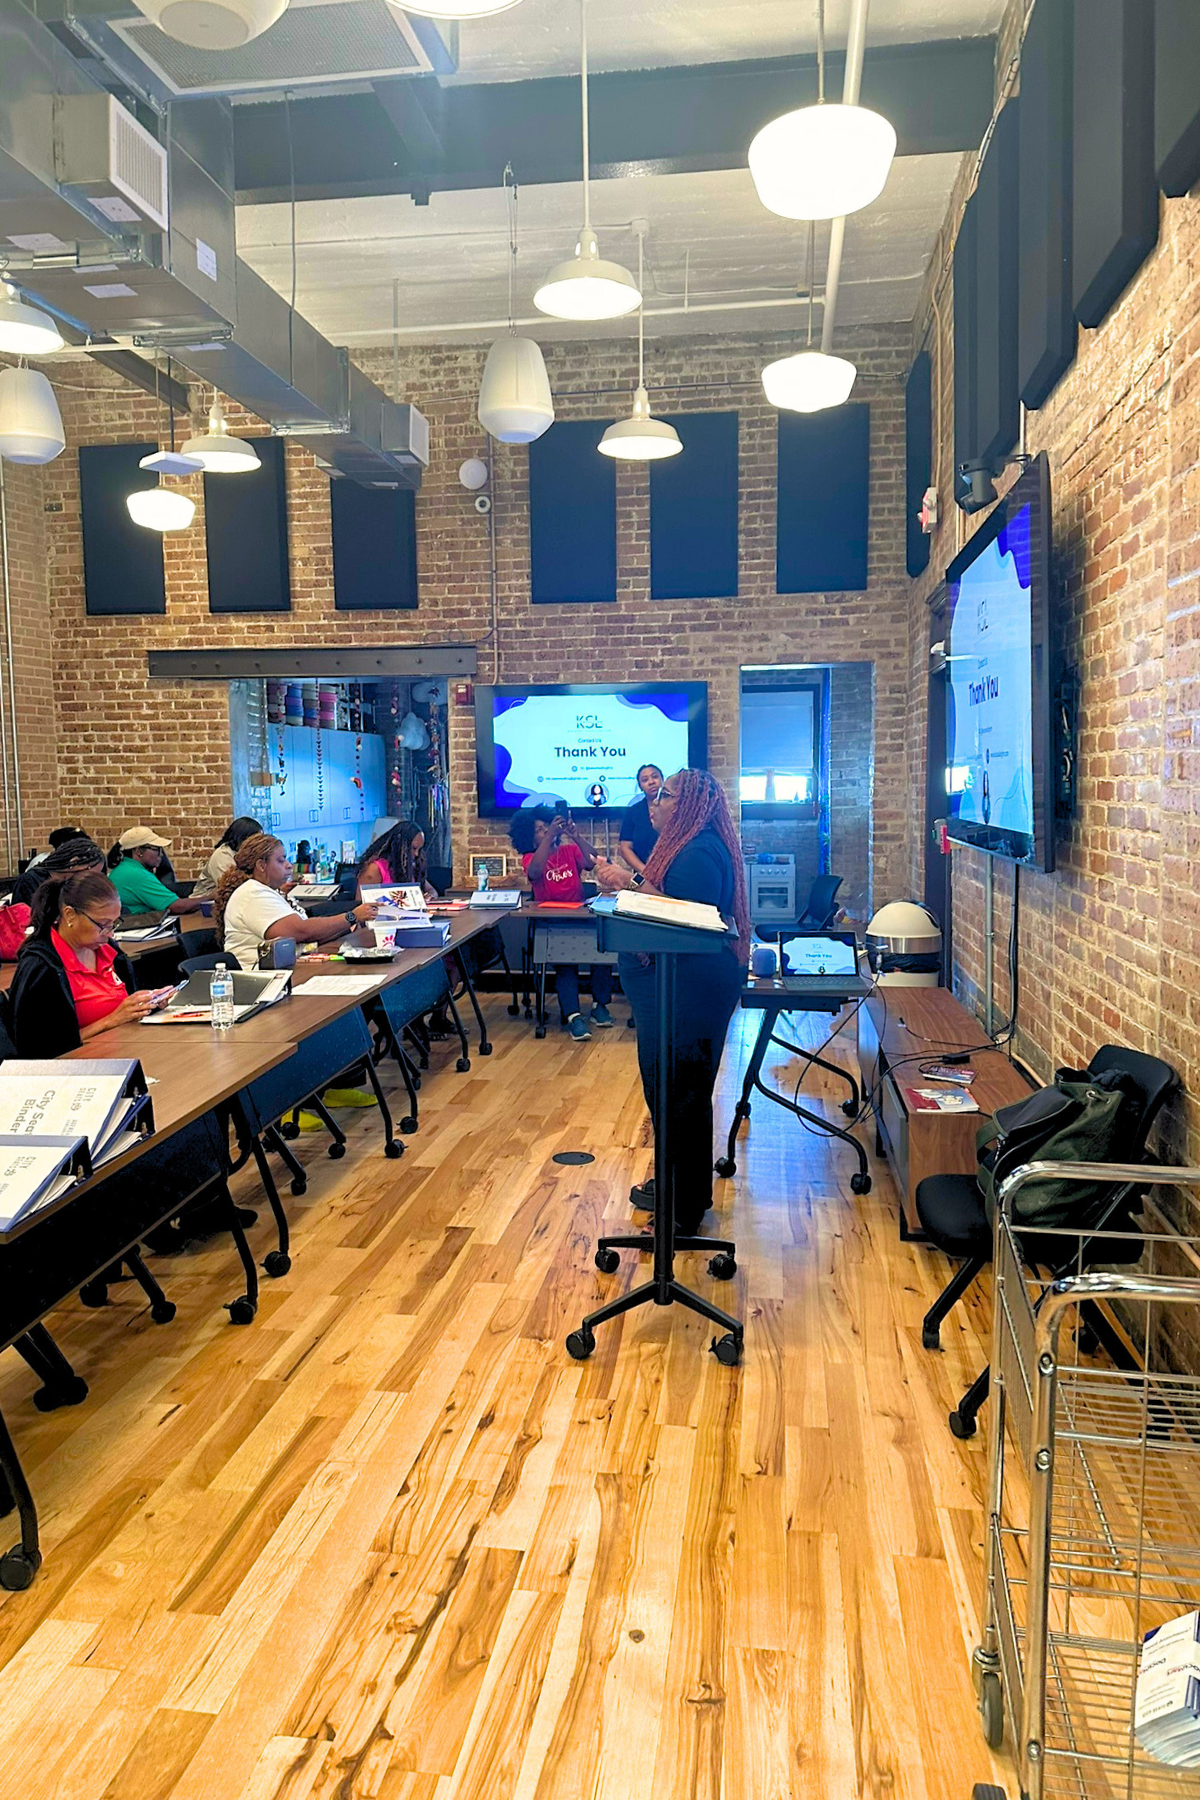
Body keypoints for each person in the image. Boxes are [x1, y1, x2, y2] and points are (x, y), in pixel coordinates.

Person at [595, 769, 750, 1236]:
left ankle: (683, 1212)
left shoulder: (699, 851)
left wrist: (628, 881)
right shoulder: (685, 845)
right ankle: (677, 1186)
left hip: (691, 990)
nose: (655, 802)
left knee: (680, 1093)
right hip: (674, 989)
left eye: (664, 795)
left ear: (686, 805)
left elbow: (687, 919)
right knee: (672, 1092)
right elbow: (666, 901)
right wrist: (626, 884)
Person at [4, 870, 161, 1055]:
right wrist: (111, 1020)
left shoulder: (109, 952)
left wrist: (148, 1005)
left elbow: (126, 1010)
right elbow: (41, 1050)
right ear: (70, 915)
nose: (110, 933)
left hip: (122, 1049)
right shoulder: (42, 967)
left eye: (113, 924)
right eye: (102, 925)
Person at [510, 806, 614, 1041]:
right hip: (552, 923)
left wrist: (575, 835)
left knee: (602, 953)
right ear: (530, 838)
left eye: (546, 827)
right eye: (539, 830)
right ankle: (573, 1016)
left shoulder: (568, 851)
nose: (546, 831)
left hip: (580, 917)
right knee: (566, 965)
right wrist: (549, 837)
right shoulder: (530, 859)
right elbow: (535, 872)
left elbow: (591, 861)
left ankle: (600, 1005)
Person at [215, 832, 378, 972]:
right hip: (259, 979)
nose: (289, 866)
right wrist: (351, 917)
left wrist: (346, 926)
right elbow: (300, 932)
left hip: (284, 970)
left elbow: (312, 936)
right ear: (261, 865)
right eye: (281, 861)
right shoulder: (252, 894)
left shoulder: (271, 891)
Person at [108, 828, 206, 921]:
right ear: (139, 851)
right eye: (156, 849)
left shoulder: (123, 868)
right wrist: (210, 897)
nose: (161, 854)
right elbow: (178, 907)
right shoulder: (137, 874)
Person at [10, 834, 105, 907]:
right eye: (90, 873)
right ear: (74, 862)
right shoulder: (30, 881)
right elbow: (22, 919)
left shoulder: (75, 887)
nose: (90, 880)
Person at [358, 821, 438, 901]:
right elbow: (359, 903)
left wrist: (430, 896)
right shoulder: (374, 869)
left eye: (419, 850)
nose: (416, 854)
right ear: (400, 846)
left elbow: (431, 890)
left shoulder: (408, 866)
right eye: (413, 848)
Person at [193, 817, 263, 901]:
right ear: (242, 838)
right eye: (255, 840)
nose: (257, 844)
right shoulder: (222, 855)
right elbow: (231, 886)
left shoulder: (246, 854)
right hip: (203, 903)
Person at [617, 763, 664, 876]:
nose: (651, 782)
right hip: (644, 874)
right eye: (645, 780)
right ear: (640, 786)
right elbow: (625, 848)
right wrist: (647, 872)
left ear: (663, 780)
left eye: (655, 777)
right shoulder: (633, 812)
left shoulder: (676, 807)